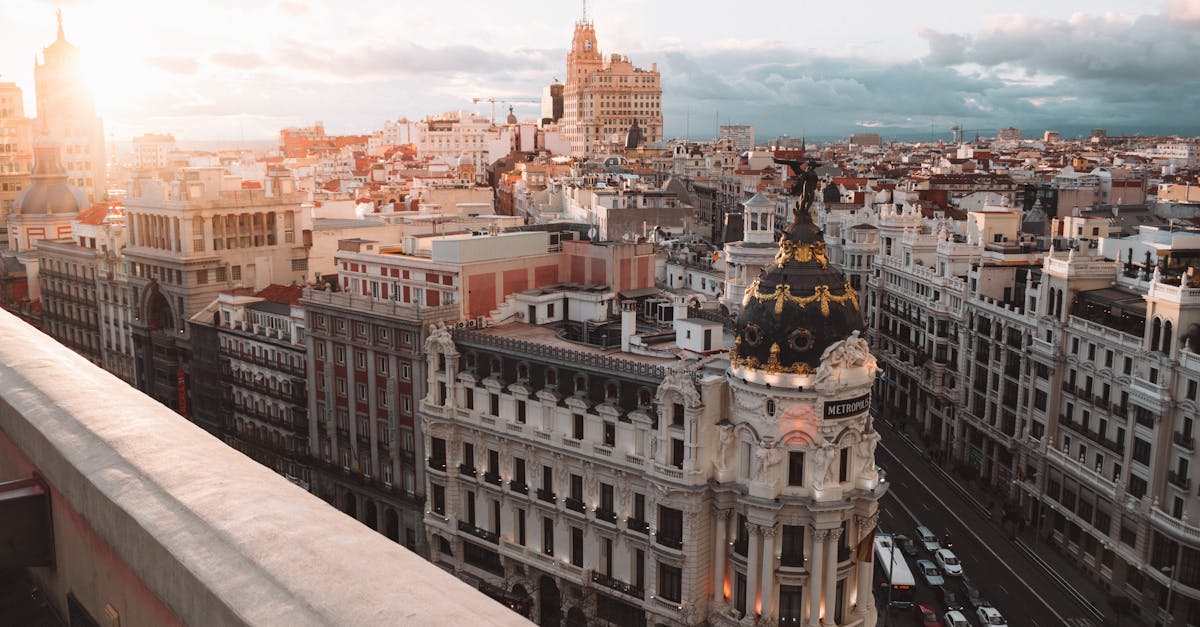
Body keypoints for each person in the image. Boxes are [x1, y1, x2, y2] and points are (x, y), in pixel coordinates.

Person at [774, 157, 820, 222]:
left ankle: (806, 210)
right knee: (805, 198)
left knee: (811, 198)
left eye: (814, 166)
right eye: (812, 166)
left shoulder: (814, 173)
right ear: (810, 166)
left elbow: (816, 180)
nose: (813, 167)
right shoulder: (807, 172)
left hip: (811, 187)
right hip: (806, 186)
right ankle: (801, 210)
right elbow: (802, 178)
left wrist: (815, 185)